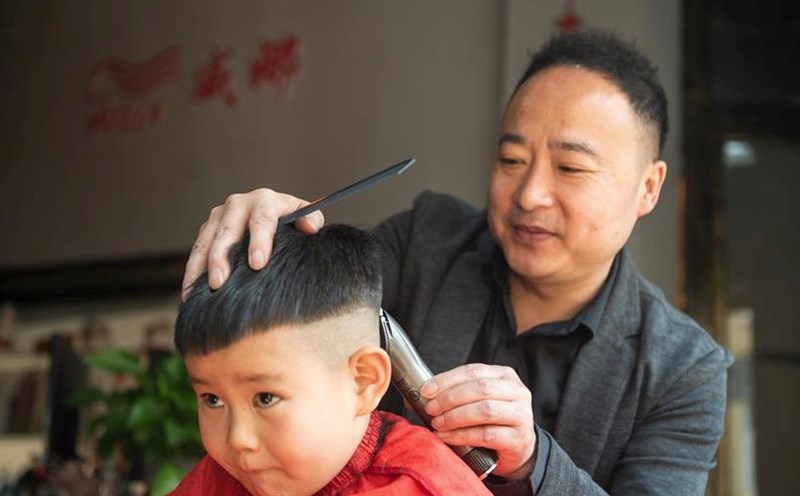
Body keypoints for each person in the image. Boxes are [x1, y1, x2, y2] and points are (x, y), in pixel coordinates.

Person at [182, 30, 733, 495]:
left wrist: (534, 461)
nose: (530, 194)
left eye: (570, 168)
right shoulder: (428, 239)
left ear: (648, 187)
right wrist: (279, 243)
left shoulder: (683, 369)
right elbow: (308, 319)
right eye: (511, 160)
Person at [171, 225, 492, 495]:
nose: (238, 439)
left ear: (363, 382)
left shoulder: (416, 487)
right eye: (212, 399)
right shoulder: (223, 477)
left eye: (265, 398)